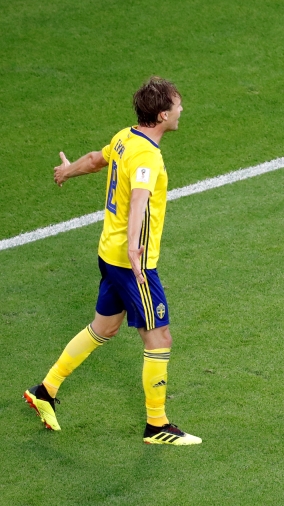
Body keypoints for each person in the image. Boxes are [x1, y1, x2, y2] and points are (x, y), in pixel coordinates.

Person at [24, 77, 201, 446]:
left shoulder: (126, 137)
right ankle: (157, 426)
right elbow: (139, 200)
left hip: (109, 253)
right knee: (159, 337)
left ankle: (45, 389)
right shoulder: (148, 156)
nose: (182, 110)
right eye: (178, 105)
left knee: (103, 328)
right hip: (130, 262)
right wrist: (136, 250)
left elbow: (95, 160)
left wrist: (66, 170)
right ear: (163, 114)